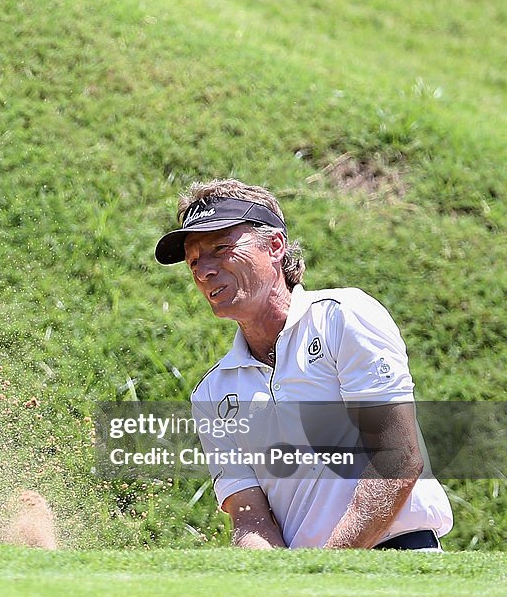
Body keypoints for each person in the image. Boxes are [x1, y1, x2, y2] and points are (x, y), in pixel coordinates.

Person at [154, 178, 453, 550]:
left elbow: (398, 458)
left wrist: (326, 569)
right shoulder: (212, 393)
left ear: (275, 245)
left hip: (399, 557)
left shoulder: (342, 318)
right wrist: (284, 585)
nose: (204, 270)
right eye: (194, 261)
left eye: (222, 248)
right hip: (307, 583)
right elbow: (249, 517)